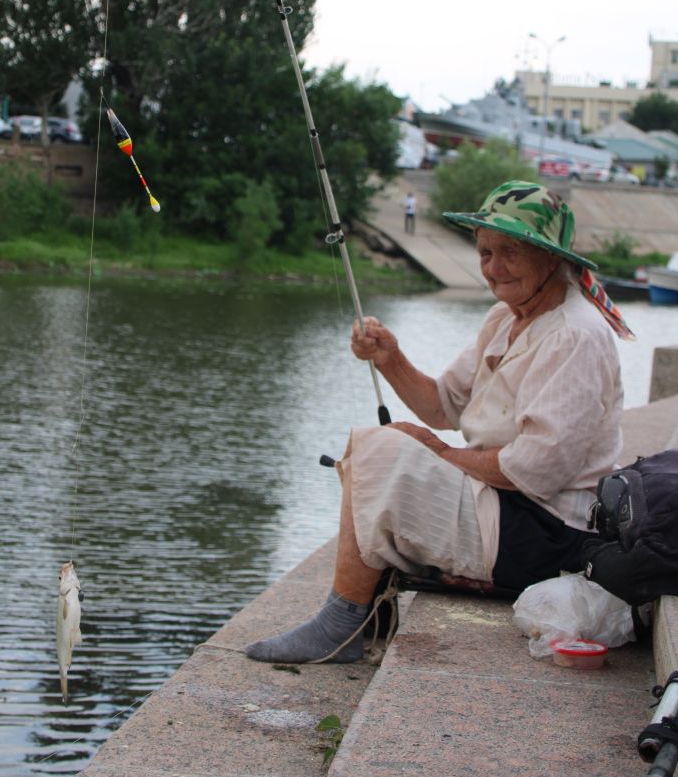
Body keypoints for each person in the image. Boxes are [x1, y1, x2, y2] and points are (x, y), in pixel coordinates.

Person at [246, 181, 635, 664]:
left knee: (384, 451)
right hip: (509, 507)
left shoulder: (576, 335)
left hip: (552, 532)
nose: (493, 268)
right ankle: (354, 618)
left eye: (510, 252)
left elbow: (537, 469)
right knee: (379, 448)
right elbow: (441, 407)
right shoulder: (504, 318)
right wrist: (391, 359)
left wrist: (439, 454)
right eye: (485, 252)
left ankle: (342, 626)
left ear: (550, 257)